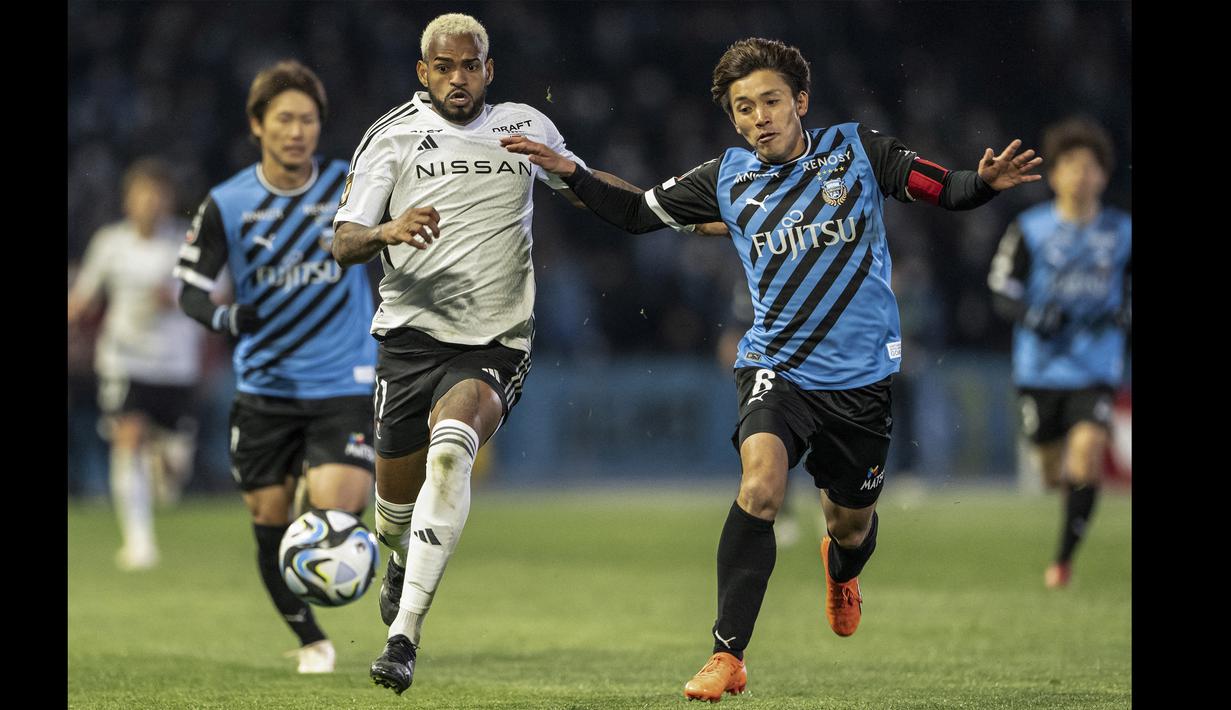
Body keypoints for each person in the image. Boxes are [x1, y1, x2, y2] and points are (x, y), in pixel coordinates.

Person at [502, 37, 1042, 702]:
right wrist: (567, 170)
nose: (758, 116)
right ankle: (726, 654)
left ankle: (841, 572)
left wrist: (983, 182)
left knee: (849, 525)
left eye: (769, 101)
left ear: (800, 102)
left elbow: (944, 189)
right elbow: (636, 212)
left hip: (860, 380)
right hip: (775, 366)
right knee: (760, 486)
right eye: (743, 107)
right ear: (732, 118)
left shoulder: (857, 151)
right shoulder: (724, 178)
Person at [330, 12, 695, 696]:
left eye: (470, 66)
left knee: (451, 451)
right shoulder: (391, 136)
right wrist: (387, 229)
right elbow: (342, 242)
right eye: (444, 67)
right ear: (423, 72)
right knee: (392, 514)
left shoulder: (523, 126)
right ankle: (399, 559)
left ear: (488, 70)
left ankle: (402, 637)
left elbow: (585, 187)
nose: (458, 78)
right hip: (408, 340)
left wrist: (671, 212)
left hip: (495, 341)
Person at [173, 59, 378, 674]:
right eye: (285, 119)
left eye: (309, 120)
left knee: (333, 515)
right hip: (263, 389)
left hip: (343, 382)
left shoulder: (352, 185)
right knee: (269, 522)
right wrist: (225, 320)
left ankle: (374, 578)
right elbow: (188, 288)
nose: (298, 131)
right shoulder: (227, 202)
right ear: (258, 125)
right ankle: (312, 638)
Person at [987, 116, 1131, 589]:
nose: (1081, 176)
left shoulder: (1122, 231)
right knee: (1052, 472)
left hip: (1096, 364)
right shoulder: (1031, 228)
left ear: (1104, 176)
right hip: (1040, 366)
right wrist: (1031, 315)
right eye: (1071, 166)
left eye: (1091, 167)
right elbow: (1001, 286)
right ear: (1055, 176)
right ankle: (1067, 506)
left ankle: (1063, 561)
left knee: (1087, 457)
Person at [68, 158, 204, 571]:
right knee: (128, 438)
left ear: (168, 201)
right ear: (129, 200)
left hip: (176, 364)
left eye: (157, 195)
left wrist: (178, 299)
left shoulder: (187, 244)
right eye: (142, 194)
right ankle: (139, 543)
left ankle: (166, 463)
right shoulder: (110, 243)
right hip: (124, 359)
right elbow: (85, 296)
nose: (150, 202)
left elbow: (215, 297)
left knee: (174, 470)